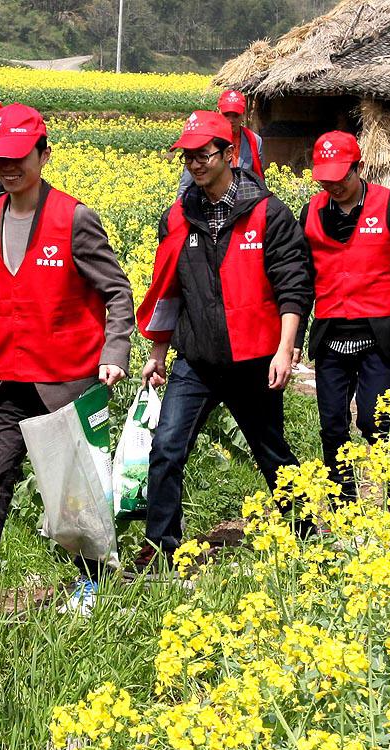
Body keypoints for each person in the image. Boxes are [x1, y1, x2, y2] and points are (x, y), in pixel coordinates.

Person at [0, 103, 135, 622]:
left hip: (66, 378)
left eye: (19, 157)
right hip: (9, 376)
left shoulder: (73, 218)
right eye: (0, 159)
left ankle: (94, 582)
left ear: (43, 154)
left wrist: (115, 351)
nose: (8, 167)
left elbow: (117, 290)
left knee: (72, 489)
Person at [135, 110, 311, 572]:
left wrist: (284, 348)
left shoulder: (267, 212)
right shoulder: (177, 216)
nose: (194, 163)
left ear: (229, 153)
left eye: (203, 154)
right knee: (167, 448)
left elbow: (293, 284)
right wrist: (157, 353)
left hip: (253, 358)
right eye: (187, 155)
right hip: (196, 360)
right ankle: (161, 550)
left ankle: (307, 533)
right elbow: (168, 289)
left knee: (271, 450)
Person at [299, 130, 390, 508]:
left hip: (379, 332)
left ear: (359, 168)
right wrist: (294, 338)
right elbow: (303, 279)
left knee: (372, 420)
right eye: (326, 179)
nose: (334, 186)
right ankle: (343, 503)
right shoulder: (311, 210)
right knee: (332, 425)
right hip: (330, 330)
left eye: (341, 177)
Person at [176, 90, 264, 196]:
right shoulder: (206, 139)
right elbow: (186, 184)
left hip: (243, 201)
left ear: (243, 115)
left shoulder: (254, 140)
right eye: (226, 115)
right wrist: (179, 209)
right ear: (218, 111)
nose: (231, 120)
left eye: (235, 115)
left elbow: (258, 179)